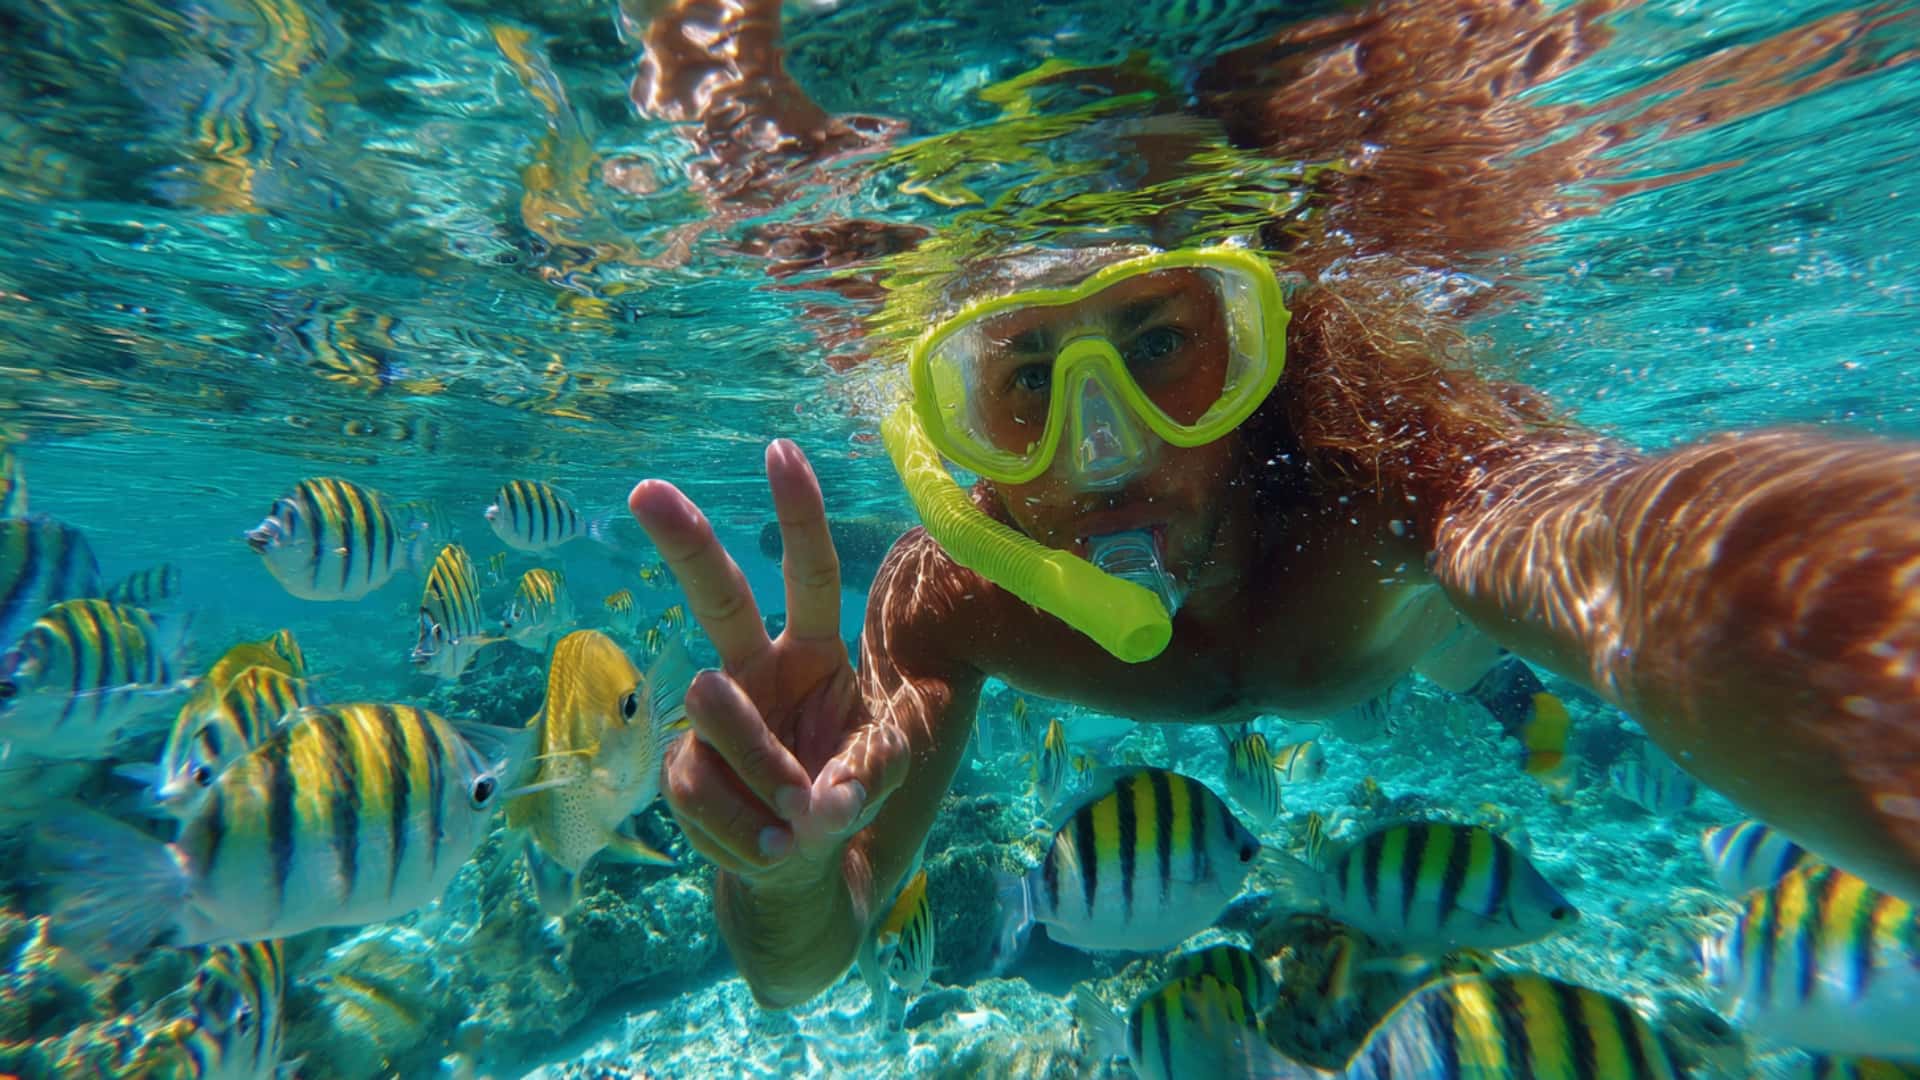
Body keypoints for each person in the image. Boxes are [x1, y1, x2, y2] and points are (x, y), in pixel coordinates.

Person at [623, 0, 1920, 1008]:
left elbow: (1627, 544)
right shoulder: (951, 609)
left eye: (1160, 343)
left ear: (1262, 335)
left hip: (1446, 650)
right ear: (943, 420)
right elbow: (806, 961)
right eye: (1024, 376)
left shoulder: (1385, 464)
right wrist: (778, 875)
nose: (1104, 450)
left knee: (1495, 661)